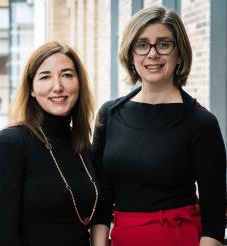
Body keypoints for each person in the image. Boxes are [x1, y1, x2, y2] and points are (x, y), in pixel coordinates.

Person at [92, 6, 226, 246]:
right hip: (123, 239)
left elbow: (214, 214)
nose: (152, 54)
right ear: (131, 53)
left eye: (163, 44)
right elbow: (101, 197)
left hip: (179, 238)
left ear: (180, 53)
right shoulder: (109, 115)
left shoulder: (201, 123)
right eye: (142, 44)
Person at [0, 41, 103, 246]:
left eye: (67, 75)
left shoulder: (82, 144)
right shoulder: (11, 144)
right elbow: (4, 238)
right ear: (31, 89)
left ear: (79, 83)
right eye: (45, 77)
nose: (57, 87)